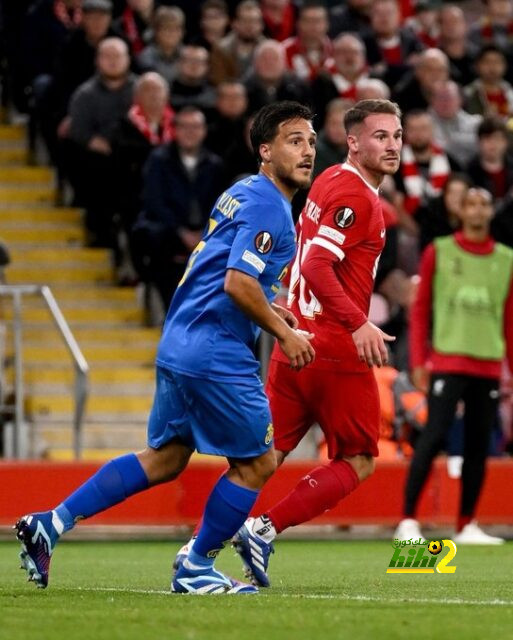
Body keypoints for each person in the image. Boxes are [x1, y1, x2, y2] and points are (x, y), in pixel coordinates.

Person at [14, 101, 317, 594]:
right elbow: (237, 284)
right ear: (265, 151)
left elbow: (226, 270)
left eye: (309, 141)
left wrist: (269, 304)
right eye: (293, 140)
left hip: (180, 339)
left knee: (166, 457)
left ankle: (50, 522)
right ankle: (196, 567)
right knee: (258, 462)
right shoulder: (271, 207)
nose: (307, 151)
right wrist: (285, 334)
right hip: (215, 351)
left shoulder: (242, 192)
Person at [174, 98, 403, 587]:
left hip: (293, 342)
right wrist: (357, 323)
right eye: (379, 136)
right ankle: (264, 529)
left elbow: (313, 259)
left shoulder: (326, 181)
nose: (392, 145)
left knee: (263, 459)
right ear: (354, 141)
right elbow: (319, 265)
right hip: (337, 349)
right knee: (359, 460)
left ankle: (197, 552)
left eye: (397, 135)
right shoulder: (359, 197)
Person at [395, 187, 513, 544]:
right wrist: (419, 360)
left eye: (484, 204)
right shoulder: (440, 251)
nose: (478, 211)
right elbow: (419, 311)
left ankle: (466, 523)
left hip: (488, 363)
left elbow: (509, 320)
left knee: (479, 445)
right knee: (432, 438)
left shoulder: (506, 259)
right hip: (447, 359)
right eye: (471, 204)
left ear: (491, 212)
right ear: (460, 211)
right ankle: (408, 520)